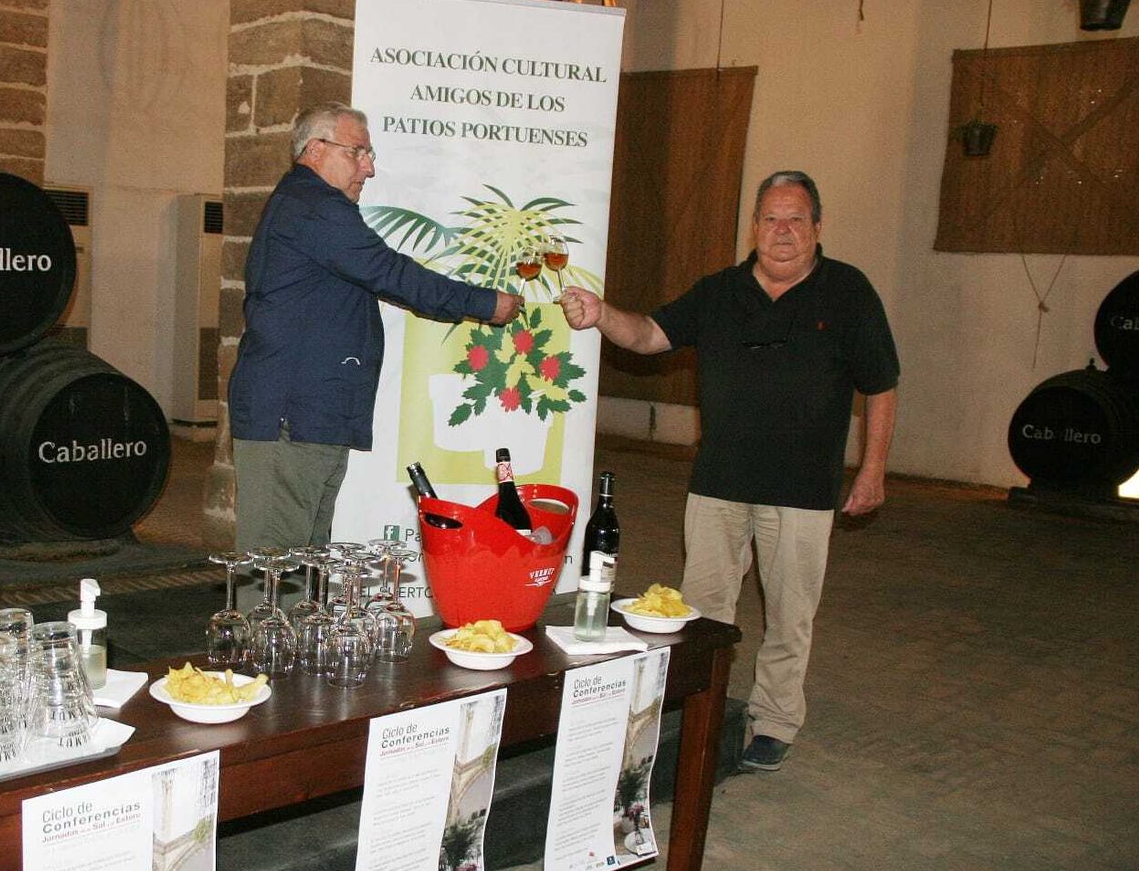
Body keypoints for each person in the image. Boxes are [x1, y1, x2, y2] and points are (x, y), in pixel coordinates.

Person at [560, 170, 899, 772]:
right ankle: (696, 717)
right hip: (719, 483)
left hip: (803, 491)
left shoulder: (849, 292)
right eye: (771, 218)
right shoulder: (720, 291)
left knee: (790, 616)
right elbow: (648, 335)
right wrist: (601, 313)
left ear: (817, 227)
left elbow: (881, 385)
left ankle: (774, 721)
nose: (783, 230)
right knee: (701, 613)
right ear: (755, 228)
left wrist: (872, 470)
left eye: (796, 219)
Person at [229, 102, 523, 550]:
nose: (368, 168)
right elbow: (390, 273)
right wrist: (485, 303)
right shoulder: (313, 206)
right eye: (358, 152)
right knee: (274, 565)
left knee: (303, 561)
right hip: (292, 416)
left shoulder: (309, 205)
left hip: (311, 415)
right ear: (315, 149)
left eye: (369, 154)